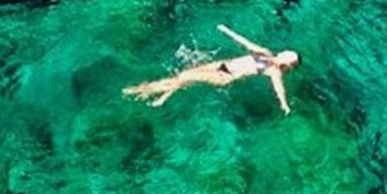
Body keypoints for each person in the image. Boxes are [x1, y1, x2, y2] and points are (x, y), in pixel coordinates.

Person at [123, 24, 300, 114]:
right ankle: (155, 94)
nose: (286, 51)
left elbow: (279, 88)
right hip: (221, 65)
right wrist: (227, 31)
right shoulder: (266, 52)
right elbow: (245, 42)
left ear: (287, 62)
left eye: (289, 55)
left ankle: (149, 93)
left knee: (184, 76)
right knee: (184, 78)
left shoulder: (274, 70)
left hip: (225, 77)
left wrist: (284, 105)